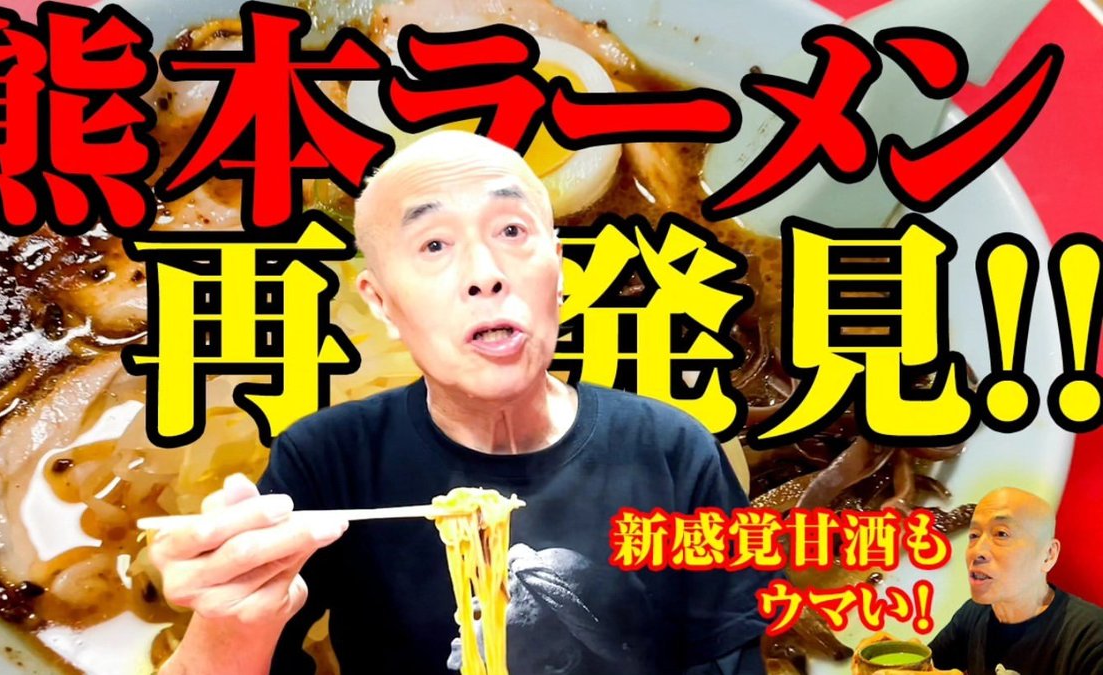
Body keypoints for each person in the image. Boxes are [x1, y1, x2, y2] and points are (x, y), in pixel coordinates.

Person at [149, 130, 774, 674]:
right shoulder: (329, 458)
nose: (484, 273)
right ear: (380, 301)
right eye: (434, 245)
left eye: (511, 231)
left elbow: (727, 656)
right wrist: (229, 620)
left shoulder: (670, 448)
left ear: (559, 269)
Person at [927, 487, 1103, 675]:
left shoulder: (1092, 637)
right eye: (974, 535)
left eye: (1001, 534)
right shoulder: (973, 613)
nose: (977, 551)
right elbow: (926, 668)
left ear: (1048, 555)